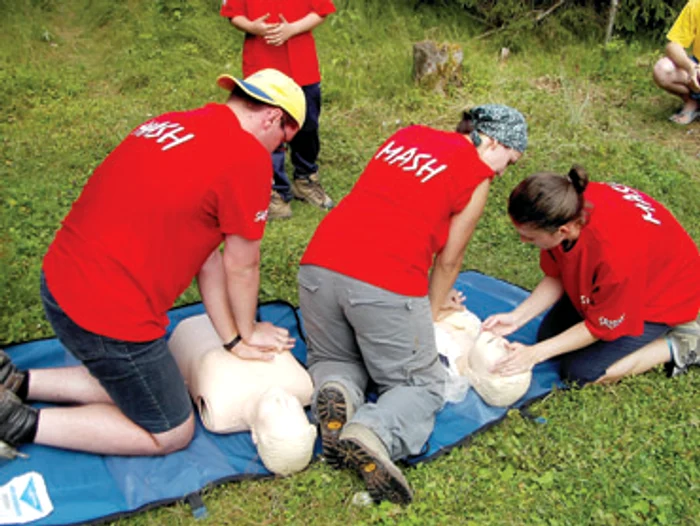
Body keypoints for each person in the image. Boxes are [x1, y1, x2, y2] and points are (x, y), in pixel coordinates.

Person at [0, 68, 305, 459]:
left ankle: (16, 381)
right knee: (172, 429)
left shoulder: (172, 123)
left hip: (61, 280)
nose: (277, 153)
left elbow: (207, 256)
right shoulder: (246, 157)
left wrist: (232, 339)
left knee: (162, 383)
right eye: (282, 142)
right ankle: (17, 421)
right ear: (272, 118)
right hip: (108, 318)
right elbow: (243, 266)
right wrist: (250, 331)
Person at [297, 104, 528, 504]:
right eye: (508, 161)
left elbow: (390, 212)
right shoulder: (476, 175)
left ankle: (336, 393)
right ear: (491, 141)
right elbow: (450, 260)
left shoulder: (408, 136)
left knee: (336, 357)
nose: (503, 172)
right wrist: (431, 310)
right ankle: (372, 432)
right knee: (420, 386)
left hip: (318, 266)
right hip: (382, 284)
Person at [484, 166, 700, 385]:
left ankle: (684, 343)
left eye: (529, 237)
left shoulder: (615, 258)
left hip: (664, 295)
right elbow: (557, 274)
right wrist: (516, 317)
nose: (523, 241)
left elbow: (599, 327)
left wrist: (534, 354)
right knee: (548, 339)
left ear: (563, 231)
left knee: (581, 372)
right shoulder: (564, 203)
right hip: (630, 272)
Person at [221, 0, 336, 219]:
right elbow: (233, 14)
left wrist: (293, 28)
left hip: (302, 64)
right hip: (261, 63)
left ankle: (305, 179)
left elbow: (321, 11)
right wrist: (252, 27)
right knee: (265, 127)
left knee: (307, 124)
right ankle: (274, 190)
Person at [168, 314, 317, 476]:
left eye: (277, 413)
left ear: (256, 436)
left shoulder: (221, 410)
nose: (281, 400)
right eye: (293, 408)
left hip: (189, 329)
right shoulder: (303, 386)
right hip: (235, 315)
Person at [435, 309, 532, 407]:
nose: (505, 344)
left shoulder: (443, 362)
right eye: (511, 352)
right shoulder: (474, 327)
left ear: (477, 380)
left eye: (504, 359)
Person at [652, 0, 700, 125]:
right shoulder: (696, 5)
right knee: (662, 70)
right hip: (698, 66)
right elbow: (673, 46)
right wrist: (691, 68)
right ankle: (693, 102)